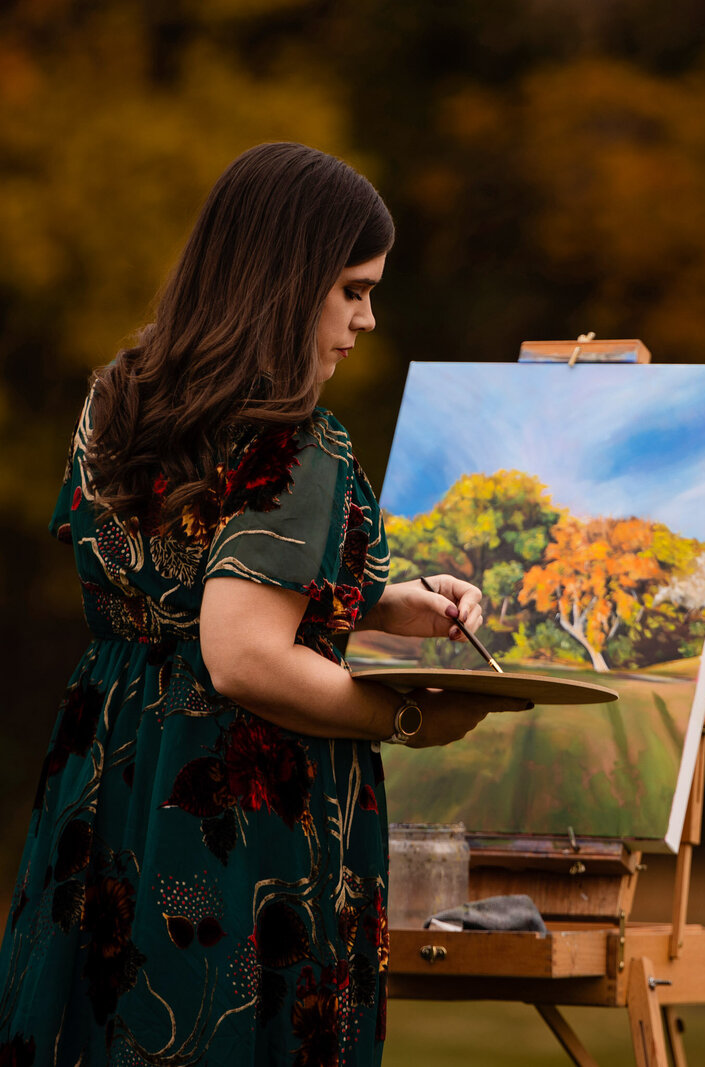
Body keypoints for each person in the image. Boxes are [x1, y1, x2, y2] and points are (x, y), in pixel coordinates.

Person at [0, 143, 525, 1066]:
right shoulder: (293, 439)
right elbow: (241, 654)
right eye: (352, 290)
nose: (366, 319)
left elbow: (187, 589)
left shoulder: (119, 400)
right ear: (287, 282)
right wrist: (404, 714)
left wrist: (373, 604)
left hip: (112, 776)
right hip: (235, 814)